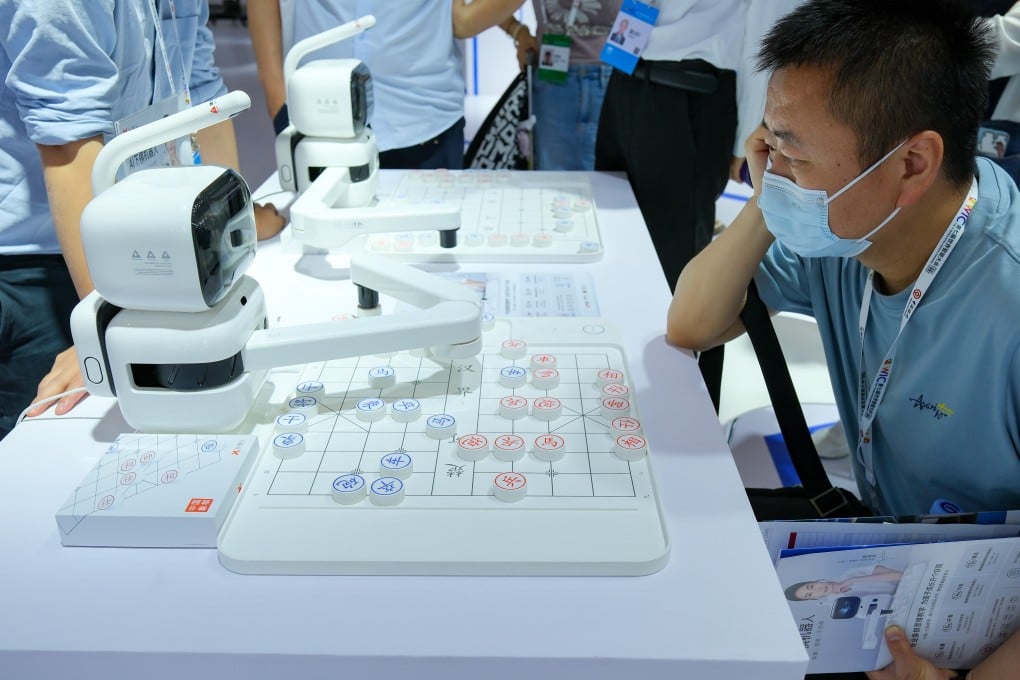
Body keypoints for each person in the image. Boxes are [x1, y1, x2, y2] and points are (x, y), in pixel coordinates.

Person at [668, 2, 1020, 674]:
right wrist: (772, 199)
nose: (776, 169)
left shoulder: (1006, 299)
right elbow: (693, 321)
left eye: (792, 152)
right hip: (905, 575)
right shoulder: (851, 229)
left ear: (913, 163)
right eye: (768, 146)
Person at [0, 0, 285, 440]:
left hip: (127, 239)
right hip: (44, 264)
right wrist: (105, 323)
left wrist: (232, 233)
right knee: (63, 442)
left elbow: (203, 97)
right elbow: (68, 137)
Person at [249, 0, 521, 170]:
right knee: (323, 253)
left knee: (427, 255)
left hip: (426, 120)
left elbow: (461, 18)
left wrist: (514, 28)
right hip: (321, 116)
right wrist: (276, 97)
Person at [594, 0, 747, 289]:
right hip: (625, 76)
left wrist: (746, 136)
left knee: (676, 261)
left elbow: (767, 29)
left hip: (688, 91)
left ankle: (686, 333)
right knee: (613, 238)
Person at [500, 1, 622, 171]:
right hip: (553, 78)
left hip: (613, 74)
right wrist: (518, 31)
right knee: (554, 183)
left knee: (610, 182)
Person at [785, 565, 903, 601]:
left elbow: (900, 576)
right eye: (809, 595)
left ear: (816, 581)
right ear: (814, 598)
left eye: (811, 586)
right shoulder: (841, 606)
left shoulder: (852, 571)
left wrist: (854, 579)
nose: (818, 590)